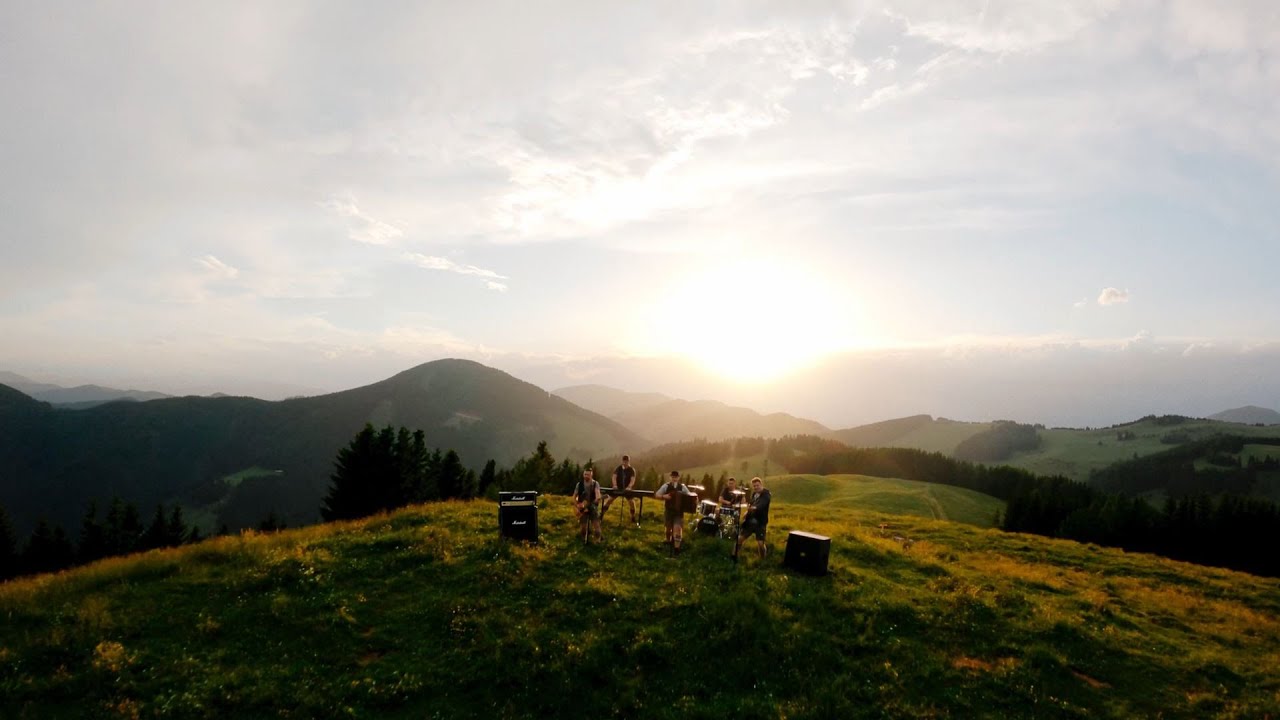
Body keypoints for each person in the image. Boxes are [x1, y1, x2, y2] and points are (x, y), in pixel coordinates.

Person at [733, 477, 771, 562]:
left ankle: (763, 560)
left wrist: (752, 508)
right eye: (754, 486)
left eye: (757, 485)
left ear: (761, 484)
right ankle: (734, 556)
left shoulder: (766, 494)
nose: (756, 487)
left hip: (760, 522)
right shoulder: (754, 494)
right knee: (740, 539)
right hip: (750, 521)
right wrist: (747, 512)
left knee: (761, 543)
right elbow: (751, 504)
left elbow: (761, 505)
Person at [654, 470, 687, 555]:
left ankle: (676, 549)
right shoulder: (666, 486)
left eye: (676, 477)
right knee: (668, 529)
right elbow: (657, 495)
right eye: (673, 477)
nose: (674, 479)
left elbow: (690, 496)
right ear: (670, 477)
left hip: (679, 512)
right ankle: (668, 541)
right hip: (668, 510)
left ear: (678, 478)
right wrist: (663, 496)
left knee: (677, 528)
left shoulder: (683, 487)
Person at [602, 454, 638, 525]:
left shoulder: (631, 470)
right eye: (624, 461)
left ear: (628, 461)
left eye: (626, 461)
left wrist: (629, 486)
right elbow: (614, 477)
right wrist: (615, 485)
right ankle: (601, 514)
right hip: (618, 488)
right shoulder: (618, 468)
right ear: (622, 461)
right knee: (609, 500)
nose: (625, 463)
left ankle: (632, 516)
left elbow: (632, 479)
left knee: (631, 502)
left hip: (627, 489)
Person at [573, 468, 603, 543]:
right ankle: (583, 540)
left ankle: (598, 540)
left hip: (592, 506)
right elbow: (574, 496)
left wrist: (597, 498)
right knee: (583, 527)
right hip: (582, 507)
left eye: (588, 475)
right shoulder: (579, 484)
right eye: (585, 474)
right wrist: (577, 505)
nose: (586, 476)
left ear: (591, 475)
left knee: (596, 525)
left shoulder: (595, 484)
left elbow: (597, 494)